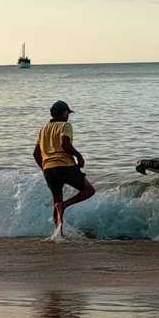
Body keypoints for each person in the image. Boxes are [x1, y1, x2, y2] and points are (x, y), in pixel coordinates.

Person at [33, 100, 95, 235]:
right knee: (89, 190)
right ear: (64, 113)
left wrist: (44, 168)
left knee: (56, 201)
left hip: (49, 169)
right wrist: (79, 156)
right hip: (65, 166)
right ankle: (65, 205)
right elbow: (65, 145)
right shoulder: (65, 125)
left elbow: (36, 153)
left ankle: (58, 234)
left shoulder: (43, 129)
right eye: (68, 113)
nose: (68, 116)